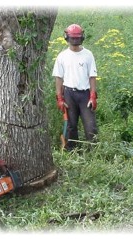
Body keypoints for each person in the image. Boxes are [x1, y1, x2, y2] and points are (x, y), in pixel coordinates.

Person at [52, 23, 98, 151]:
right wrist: (60, 98)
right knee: (71, 125)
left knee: (90, 126)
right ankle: (72, 151)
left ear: (81, 37)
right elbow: (58, 78)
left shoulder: (88, 55)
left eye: (77, 38)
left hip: (85, 95)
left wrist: (93, 96)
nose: (75, 41)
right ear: (67, 38)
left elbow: (92, 77)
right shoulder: (62, 56)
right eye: (73, 38)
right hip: (69, 94)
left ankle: (94, 152)